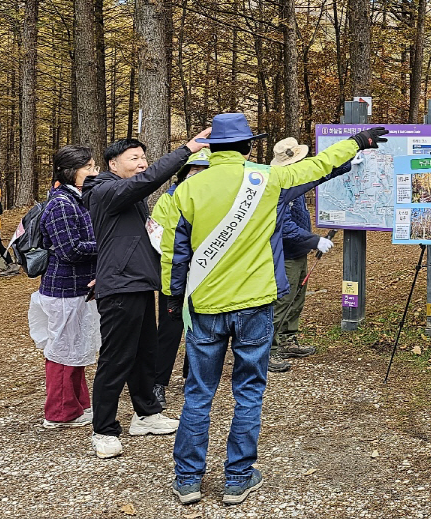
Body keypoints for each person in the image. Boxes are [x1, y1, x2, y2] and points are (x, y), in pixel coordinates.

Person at [161, 114, 385, 507]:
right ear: (248, 148)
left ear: (212, 150)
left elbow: (174, 252)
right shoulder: (266, 180)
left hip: (206, 306)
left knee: (198, 394)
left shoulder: (187, 191)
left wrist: (172, 295)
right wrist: (357, 141)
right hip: (255, 304)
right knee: (248, 392)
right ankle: (237, 479)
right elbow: (316, 167)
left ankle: (188, 480)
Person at [81, 126, 212, 460]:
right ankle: (104, 429)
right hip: (121, 285)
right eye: (134, 158)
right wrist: (187, 149)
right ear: (113, 163)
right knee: (116, 358)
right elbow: (146, 181)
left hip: (137, 281)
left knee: (144, 353)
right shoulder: (103, 189)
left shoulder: (128, 195)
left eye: (144, 157)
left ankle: (146, 415)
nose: (142, 163)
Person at [28, 145, 100, 428]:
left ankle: (79, 404)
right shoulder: (61, 203)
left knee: (76, 347)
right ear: (72, 172)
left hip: (78, 288)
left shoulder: (77, 199)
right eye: (90, 168)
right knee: (61, 351)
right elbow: (69, 249)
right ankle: (59, 413)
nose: (95, 172)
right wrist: (106, 245)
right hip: (63, 288)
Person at [148, 150, 212, 409]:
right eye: (194, 170)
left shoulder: (214, 199)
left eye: (204, 171)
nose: (198, 175)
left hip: (206, 276)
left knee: (200, 329)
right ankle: (157, 382)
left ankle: (192, 378)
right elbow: (159, 238)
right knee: (170, 331)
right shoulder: (169, 199)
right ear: (185, 172)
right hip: (173, 276)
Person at [269, 137, 338, 372]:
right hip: (284, 254)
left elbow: (323, 174)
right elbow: (285, 226)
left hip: (299, 252)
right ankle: (269, 349)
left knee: (297, 298)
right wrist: (314, 239)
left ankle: (289, 339)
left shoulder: (296, 183)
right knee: (282, 301)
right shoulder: (278, 187)